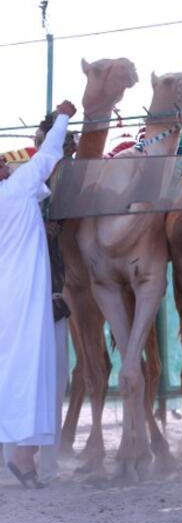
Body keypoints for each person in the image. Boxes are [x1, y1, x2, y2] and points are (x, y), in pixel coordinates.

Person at [0, 100, 76, 488]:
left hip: (8, 296)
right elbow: (48, 154)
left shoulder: (16, 190)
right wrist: (64, 115)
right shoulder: (16, 189)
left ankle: (22, 456)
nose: (6, 163)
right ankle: (21, 457)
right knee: (29, 371)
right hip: (23, 298)